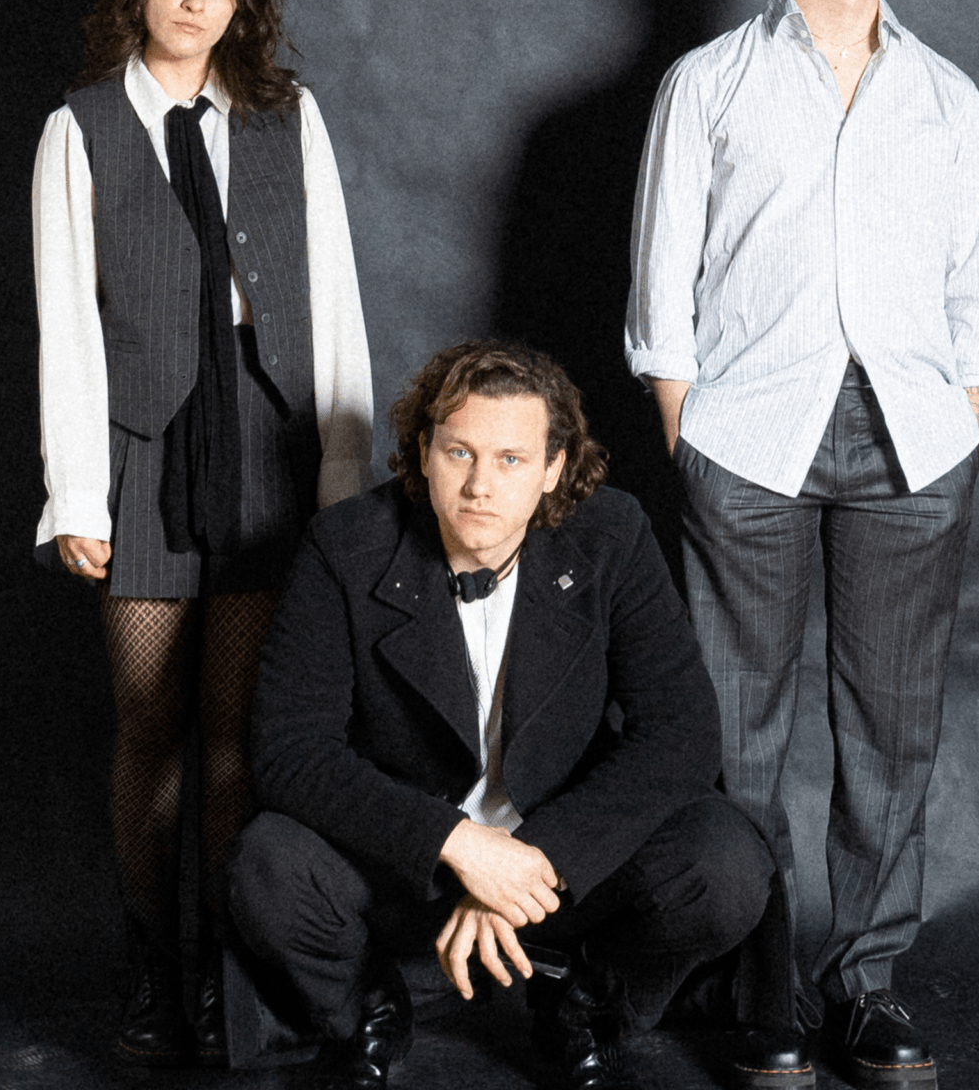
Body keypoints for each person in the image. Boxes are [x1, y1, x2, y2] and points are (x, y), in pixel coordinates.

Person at [624, 0, 979, 1088]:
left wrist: (966, 413)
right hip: (747, 433)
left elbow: (978, 278)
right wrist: (685, 425)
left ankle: (866, 981)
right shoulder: (709, 83)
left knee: (892, 727)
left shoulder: (945, 94)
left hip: (914, 438)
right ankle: (759, 989)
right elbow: (662, 274)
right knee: (737, 729)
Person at [228, 342, 776, 1090]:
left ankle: (584, 1007)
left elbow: (681, 732)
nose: (480, 485)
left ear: (553, 468)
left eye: (511, 460)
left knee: (725, 862)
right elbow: (290, 750)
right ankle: (369, 1012)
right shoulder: (346, 545)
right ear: (423, 454)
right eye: (459, 452)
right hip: (409, 868)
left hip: (563, 867)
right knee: (268, 864)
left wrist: (536, 857)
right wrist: (457, 843)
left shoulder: (611, 534)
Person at [30, 0, 374, 1068]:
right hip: (145, 444)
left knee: (236, 731)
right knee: (150, 724)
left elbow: (334, 295)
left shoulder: (287, 115)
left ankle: (230, 976)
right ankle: (151, 964)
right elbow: (66, 327)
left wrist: (341, 471)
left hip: (270, 442)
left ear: (243, 3)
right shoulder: (79, 128)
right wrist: (79, 494)